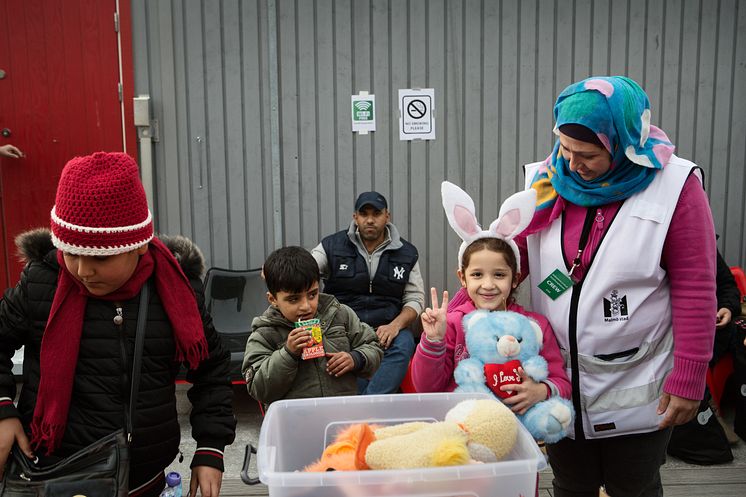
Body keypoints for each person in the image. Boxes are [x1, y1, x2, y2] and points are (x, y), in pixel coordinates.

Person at [449, 76, 714, 497]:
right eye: (564, 149)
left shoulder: (675, 188)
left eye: (588, 154)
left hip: (637, 391)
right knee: (571, 486)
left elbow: (696, 288)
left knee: (635, 487)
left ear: (623, 143)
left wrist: (690, 377)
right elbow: (504, 263)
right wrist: (457, 319)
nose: (572, 165)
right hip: (557, 386)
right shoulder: (546, 179)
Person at [0, 152, 236, 497]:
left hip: (145, 480)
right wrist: (3, 408)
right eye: (71, 252)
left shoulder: (176, 290)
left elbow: (212, 368)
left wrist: (211, 449)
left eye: (99, 257)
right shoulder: (41, 283)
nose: (82, 270)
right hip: (56, 477)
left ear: (138, 246)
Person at [411, 182, 571, 426]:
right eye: (477, 275)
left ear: (515, 278)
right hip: (461, 433)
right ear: (462, 278)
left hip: (518, 436)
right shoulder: (453, 323)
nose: (488, 285)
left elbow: (562, 381)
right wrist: (433, 340)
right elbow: (426, 386)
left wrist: (542, 391)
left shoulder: (534, 326)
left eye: (499, 275)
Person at [311, 192, 425, 394]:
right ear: (355, 217)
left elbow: (415, 299)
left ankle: (366, 406)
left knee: (405, 342)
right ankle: (366, 407)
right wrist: (282, 267)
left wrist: (395, 325)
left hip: (385, 326)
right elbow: (307, 268)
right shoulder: (331, 245)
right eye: (364, 214)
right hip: (341, 325)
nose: (370, 220)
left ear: (387, 216)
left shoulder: (407, 252)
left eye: (377, 213)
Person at [242, 246, 383, 406]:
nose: (306, 306)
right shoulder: (265, 333)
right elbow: (258, 389)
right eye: (293, 299)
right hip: (295, 422)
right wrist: (288, 353)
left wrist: (356, 358)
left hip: (341, 415)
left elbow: (374, 347)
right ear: (273, 299)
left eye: (312, 294)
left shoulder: (340, 314)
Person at [712, 248, 746, 441]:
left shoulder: (704, 244)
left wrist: (726, 307)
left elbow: (728, 285)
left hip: (714, 326)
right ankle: (705, 409)